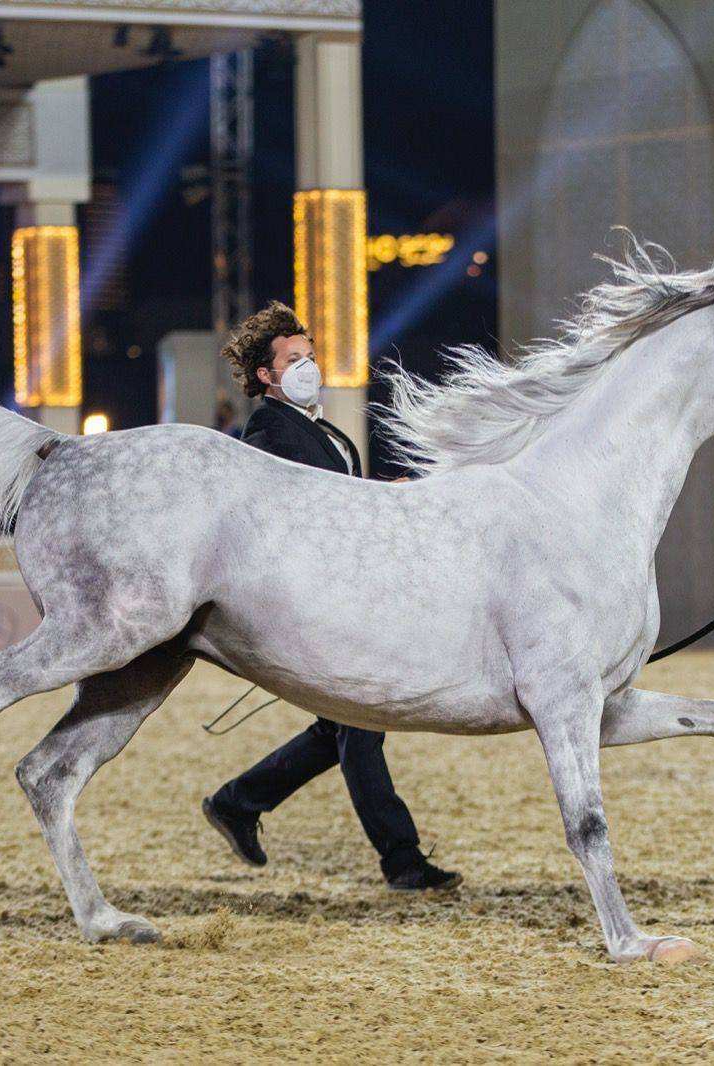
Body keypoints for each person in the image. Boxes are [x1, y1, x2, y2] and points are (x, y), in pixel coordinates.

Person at [201, 301, 461, 892]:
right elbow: (297, 513)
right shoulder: (266, 432)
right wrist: (372, 499)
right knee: (360, 725)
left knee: (342, 725)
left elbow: (336, 501)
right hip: (314, 603)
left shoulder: (324, 429)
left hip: (346, 594)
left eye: (310, 355)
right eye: (293, 359)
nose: (308, 366)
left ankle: (238, 802)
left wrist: (380, 494)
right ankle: (402, 860)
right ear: (265, 375)